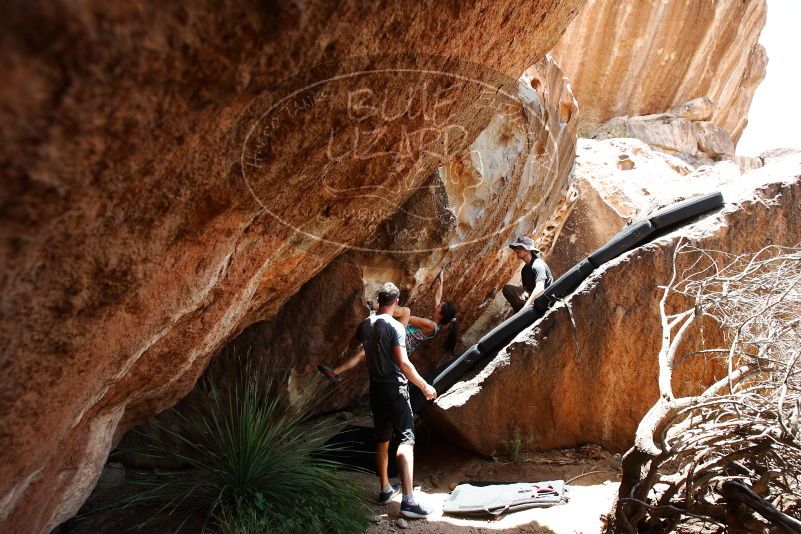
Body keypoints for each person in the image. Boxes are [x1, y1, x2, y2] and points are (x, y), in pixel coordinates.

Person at [362, 282, 437, 518]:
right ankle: (408, 501)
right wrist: (424, 386)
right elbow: (404, 364)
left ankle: (385, 488)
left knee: (382, 439)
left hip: (375, 388)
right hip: (395, 388)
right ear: (396, 303)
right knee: (406, 439)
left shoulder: (365, 325)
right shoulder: (395, 326)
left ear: (379, 300)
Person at [318, 271, 457, 381]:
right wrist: (441, 279)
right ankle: (333, 372)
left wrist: (383, 309)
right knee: (363, 353)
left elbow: (406, 317)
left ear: (441, 315)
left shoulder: (430, 325)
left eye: (440, 307)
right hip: (396, 345)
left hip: (398, 340)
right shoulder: (435, 324)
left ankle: (374, 305)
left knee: (405, 311)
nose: (437, 305)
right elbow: (438, 297)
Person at [502, 235, 553, 312]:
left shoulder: (537, 264)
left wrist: (526, 307)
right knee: (508, 290)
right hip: (533, 299)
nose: (517, 250)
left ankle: (524, 313)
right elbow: (526, 289)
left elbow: (540, 288)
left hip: (544, 299)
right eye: (516, 248)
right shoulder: (524, 270)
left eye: (520, 248)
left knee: (509, 290)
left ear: (528, 249)